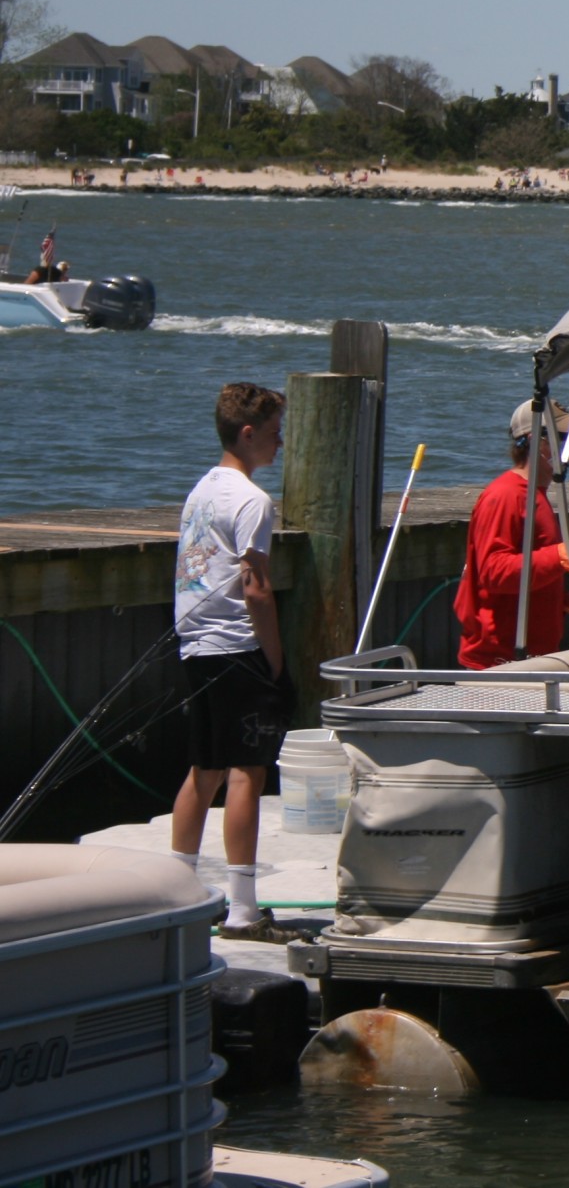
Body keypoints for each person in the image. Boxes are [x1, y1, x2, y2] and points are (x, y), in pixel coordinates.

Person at [168, 383, 297, 941]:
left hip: (195, 644)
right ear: (247, 434)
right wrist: (276, 662)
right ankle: (243, 909)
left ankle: (175, 892)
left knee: (205, 769)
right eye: (274, 433)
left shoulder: (201, 490)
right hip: (238, 647)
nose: (282, 443)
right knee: (249, 770)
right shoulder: (252, 500)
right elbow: (257, 588)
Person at [455, 400, 569, 669]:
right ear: (535, 441)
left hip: (534, 657)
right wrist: (558, 557)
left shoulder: (538, 494)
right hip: (498, 662)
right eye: (563, 438)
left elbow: (527, 565)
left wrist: (559, 600)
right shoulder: (505, 496)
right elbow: (493, 571)